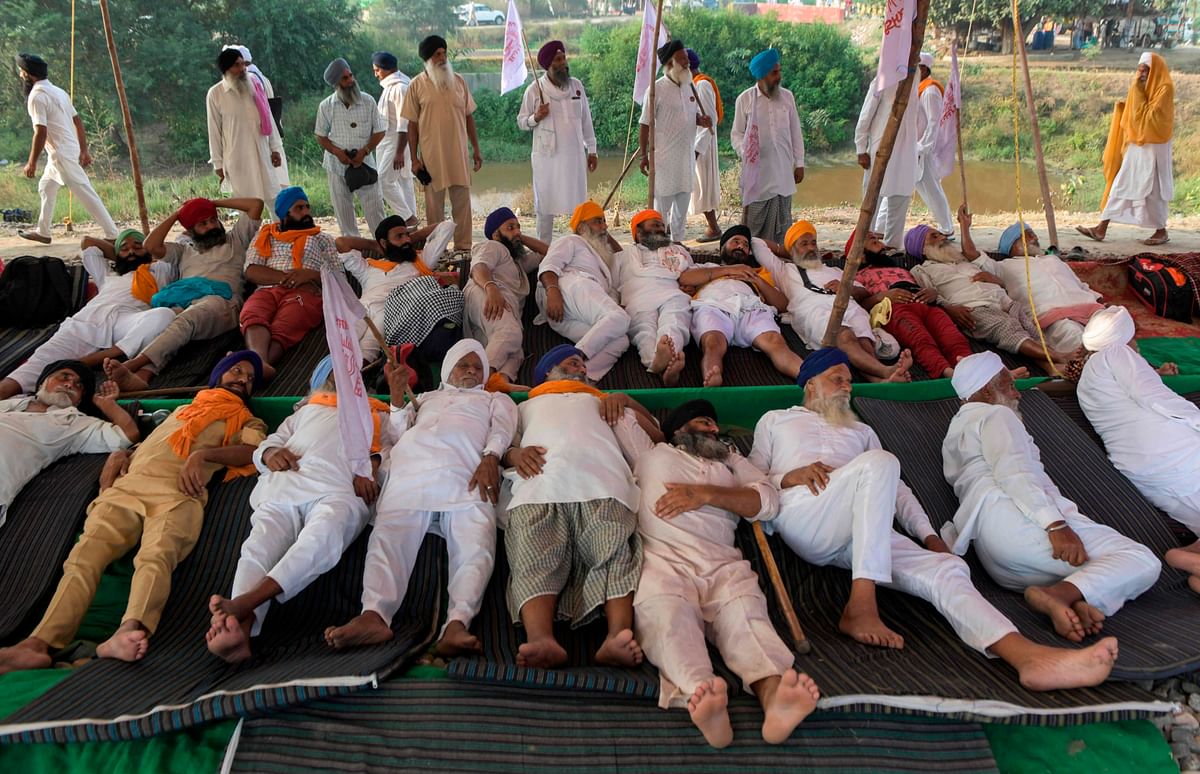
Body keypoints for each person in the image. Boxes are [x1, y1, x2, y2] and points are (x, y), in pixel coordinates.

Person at [750, 349, 1121, 690]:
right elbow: (751, 481)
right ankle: (861, 606)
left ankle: (1025, 656)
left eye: (849, 379)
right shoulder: (776, 421)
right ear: (810, 383)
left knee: (947, 570)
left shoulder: (861, 431)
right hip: (805, 514)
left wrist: (930, 538)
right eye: (837, 378)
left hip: (865, 530)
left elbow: (896, 491)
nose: (847, 386)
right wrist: (789, 477)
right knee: (880, 464)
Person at [0, 353, 267, 674]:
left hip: (178, 494)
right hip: (128, 488)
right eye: (236, 370)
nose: (242, 378)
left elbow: (254, 451)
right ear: (218, 374)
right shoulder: (183, 410)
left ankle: (129, 629)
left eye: (250, 378)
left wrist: (204, 456)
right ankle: (38, 644)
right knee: (83, 557)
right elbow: (153, 444)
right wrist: (119, 457)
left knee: (156, 557)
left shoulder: (248, 420)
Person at [631, 399, 821, 748]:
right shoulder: (650, 452)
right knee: (666, 616)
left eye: (715, 425)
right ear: (679, 429)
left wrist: (705, 494)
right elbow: (621, 411)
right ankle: (702, 696)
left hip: (723, 563)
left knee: (747, 618)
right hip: (664, 560)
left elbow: (766, 501)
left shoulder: (732, 460)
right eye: (705, 422)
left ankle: (775, 699)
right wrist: (618, 399)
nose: (714, 429)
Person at [942, 352, 1161, 642]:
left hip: (998, 560)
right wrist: (1055, 525)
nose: (1016, 393)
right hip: (1020, 526)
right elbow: (1015, 473)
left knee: (1098, 570)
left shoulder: (954, 431)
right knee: (1140, 559)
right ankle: (1057, 594)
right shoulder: (997, 414)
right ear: (985, 390)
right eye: (1009, 385)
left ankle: (1077, 600)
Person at [326, 341, 518, 655]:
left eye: (477, 366)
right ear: (447, 370)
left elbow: (504, 428)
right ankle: (373, 615)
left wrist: (491, 458)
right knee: (387, 542)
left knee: (476, 547)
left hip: (467, 475)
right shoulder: (426, 398)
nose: (470, 370)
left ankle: (458, 622)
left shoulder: (494, 399)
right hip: (411, 472)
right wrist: (399, 397)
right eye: (462, 364)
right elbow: (397, 433)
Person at [206, 355, 390, 663]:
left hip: (338, 489)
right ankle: (241, 626)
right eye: (334, 373)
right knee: (259, 545)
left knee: (324, 536)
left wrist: (371, 466)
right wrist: (270, 453)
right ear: (319, 382)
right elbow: (268, 445)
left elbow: (389, 447)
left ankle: (245, 604)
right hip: (287, 483)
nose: (342, 378)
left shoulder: (376, 414)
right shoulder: (304, 412)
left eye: (349, 373)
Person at [501, 345, 664, 669]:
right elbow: (503, 444)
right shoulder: (525, 406)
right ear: (546, 372)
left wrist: (627, 401)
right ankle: (541, 639)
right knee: (533, 555)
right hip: (541, 484)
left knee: (615, 551)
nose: (579, 364)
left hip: (603, 483)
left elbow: (657, 437)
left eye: (582, 362)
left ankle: (618, 635)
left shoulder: (602, 400)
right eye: (568, 360)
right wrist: (514, 455)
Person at [1076, 307, 1200, 591]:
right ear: (1124, 337)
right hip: (1172, 453)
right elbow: (1156, 399)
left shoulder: (1087, 379)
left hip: (1142, 472)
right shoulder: (1117, 354)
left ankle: (1190, 557)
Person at [103, 197, 263, 392]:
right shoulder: (184, 251)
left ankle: (133, 365)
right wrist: (178, 214)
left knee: (186, 320)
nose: (212, 226)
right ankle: (143, 377)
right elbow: (150, 245)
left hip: (222, 302)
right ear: (190, 230)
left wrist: (211, 203)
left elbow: (256, 204)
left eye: (213, 220)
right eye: (203, 223)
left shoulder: (235, 239)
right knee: (166, 323)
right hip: (188, 303)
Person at [0, 231, 177, 400]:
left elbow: (164, 246)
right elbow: (87, 242)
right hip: (86, 322)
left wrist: (138, 252)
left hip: (128, 322)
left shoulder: (161, 269)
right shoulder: (108, 274)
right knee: (29, 371)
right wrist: (123, 253)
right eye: (124, 249)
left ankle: (106, 358)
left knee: (164, 316)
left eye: (138, 246)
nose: (131, 251)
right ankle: (89, 362)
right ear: (116, 255)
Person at [908, 211, 1075, 373]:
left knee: (1032, 332)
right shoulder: (923, 270)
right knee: (1007, 326)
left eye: (940, 234)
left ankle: (1051, 368)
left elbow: (1002, 282)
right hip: (973, 308)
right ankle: (1060, 357)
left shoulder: (963, 260)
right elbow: (930, 295)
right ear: (921, 249)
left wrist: (996, 280)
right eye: (934, 237)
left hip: (1004, 302)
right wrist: (949, 309)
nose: (943, 238)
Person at [755, 220, 912, 383]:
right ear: (792, 249)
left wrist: (845, 288)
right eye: (803, 244)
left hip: (848, 305)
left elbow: (863, 292)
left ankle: (879, 381)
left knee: (864, 340)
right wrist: (787, 251)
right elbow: (756, 243)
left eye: (813, 243)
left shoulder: (836, 270)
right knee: (845, 336)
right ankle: (886, 370)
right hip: (814, 310)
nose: (810, 248)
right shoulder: (784, 270)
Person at [0, 362, 137, 526]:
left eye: (79, 385)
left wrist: (108, 405)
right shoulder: (9, 404)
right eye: (64, 377)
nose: (70, 384)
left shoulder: (75, 423)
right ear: (42, 382)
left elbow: (128, 435)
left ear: (79, 401)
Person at [15, 53, 117, 244]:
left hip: (61, 153)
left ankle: (112, 234)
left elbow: (41, 132)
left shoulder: (37, 97)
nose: (21, 75)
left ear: (29, 75)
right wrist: (83, 150)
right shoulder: (59, 91)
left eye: (22, 72)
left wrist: (31, 162)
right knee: (46, 187)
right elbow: (77, 121)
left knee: (84, 191)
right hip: (65, 150)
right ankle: (44, 232)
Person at [1076, 52, 1174, 246]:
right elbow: (1135, 112)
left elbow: (1152, 118)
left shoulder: (1165, 88)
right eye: (1140, 69)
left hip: (1154, 148)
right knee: (1121, 183)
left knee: (1153, 189)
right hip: (1137, 145)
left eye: (1146, 70)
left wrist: (1137, 94)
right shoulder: (1139, 86)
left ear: (1155, 71)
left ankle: (1161, 231)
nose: (1141, 74)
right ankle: (1101, 228)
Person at [241, 187, 339, 377]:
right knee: (252, 313)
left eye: (307, 207)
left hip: (304, 292)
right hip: (268, 288)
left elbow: (338, 276)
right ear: (285, 214)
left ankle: (255, 368)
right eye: (299, 208)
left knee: (288, 321)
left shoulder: (322, 239)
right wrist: (285, 278)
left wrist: (309, 275)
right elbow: (251, 270)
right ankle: (259, 362)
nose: (306, 212)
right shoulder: (265, 235)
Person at [688, 225, 803, 387]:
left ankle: (807, 376)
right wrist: (729, 270)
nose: (741, 246)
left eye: (746, 244)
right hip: (714, 305)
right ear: (722, 247)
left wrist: (756, 280)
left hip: (751, 308)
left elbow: (783, 305)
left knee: (775, 341)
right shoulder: (707, 267)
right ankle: (712, 376)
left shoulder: (759, 272)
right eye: (735, 241)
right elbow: (685, 278)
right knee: (713, 343)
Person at [849, 229, 972, 379]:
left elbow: (928, 287)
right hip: (895, 309)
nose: (877, 240)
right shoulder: (857, 276)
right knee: (921, 339)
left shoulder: (901, 269)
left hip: (926, 304)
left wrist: (932, 293)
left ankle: (969, 368)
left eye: (878, 240)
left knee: (952, 337)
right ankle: (947, 373)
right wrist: (882, 296)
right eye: (872, 241)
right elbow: (857, 307)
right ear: (860, 256)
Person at [402, 35, 484, 251]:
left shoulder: (458, 81)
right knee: (434, 209)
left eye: (444, 53)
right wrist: (414, 160)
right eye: (437, 54)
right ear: (428, 59)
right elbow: (412, 125)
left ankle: (463, 249)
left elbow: (468, 117)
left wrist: (476, 149)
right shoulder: (416, 85)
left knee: (463, 206)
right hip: (432, 157)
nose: (442, 57)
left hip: (458, 154)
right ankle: (436, 251)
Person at [536, 201, 631, 383]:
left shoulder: (602, 256)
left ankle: (574, 381)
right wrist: (553, 291)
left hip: (570, 313)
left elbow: (620, 255)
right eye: (598, 221)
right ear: (581, 228)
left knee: (621, 339)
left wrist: (602, 232)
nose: (604, 226)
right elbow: (549, 264)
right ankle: (575, 357)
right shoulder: (572, 241)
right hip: (569, 288)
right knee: (621, 318)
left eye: (604, 221)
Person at [336, 218, 453, 363]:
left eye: (406, 235)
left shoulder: (421, 261)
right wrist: (374, 245)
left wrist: (411, 237)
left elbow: (446, 226)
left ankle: (359, 377)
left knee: (368, 349)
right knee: (343, 342)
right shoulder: (368, 267)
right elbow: (341, 243)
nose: (406, 240)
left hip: (390, 312)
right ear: (384, 243)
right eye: (399, 236)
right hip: (361, 308)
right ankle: (333, 379)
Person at [518, 41, 598, 245]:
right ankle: (543, 249)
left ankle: (580, 246)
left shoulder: (576, 86)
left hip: (574, 157)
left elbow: (586, 119)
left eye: (564, 58)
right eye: (558, 60)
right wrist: (536, 117)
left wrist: (592, 149)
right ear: (548, 65)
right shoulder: (535, 90)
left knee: (578, 205)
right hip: (548, 159)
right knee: (545, 205)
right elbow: (521, 122)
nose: (563, 63)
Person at [637, 40, 712, 241]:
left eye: (686, 58)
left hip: (686, 159)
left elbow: (690, 116)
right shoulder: (656, 89)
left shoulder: (690, 87)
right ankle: (657, 244)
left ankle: (678, 243)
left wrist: (701, 120)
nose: (687, 62)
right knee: (661, 208)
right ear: (670, 63)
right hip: (663, 160)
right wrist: (644, 155)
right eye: (681, 59)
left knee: (682, 206)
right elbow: (644, 124)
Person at [464, 208, 545, 391]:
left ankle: (498, 382)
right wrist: (491, 288)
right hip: (485, 291)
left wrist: (518, 237)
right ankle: (481, 381)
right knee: (509, 332)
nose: (516, 231)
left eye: (518, 227)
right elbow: (479, 267)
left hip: (502, 304)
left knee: (516, 352)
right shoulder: (493, 246)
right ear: (495, 234)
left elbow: (547, 252)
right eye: (510, 227)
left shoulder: (518, 262)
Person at [732, 49, 805, 247]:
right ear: (762, 75)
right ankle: (754, 259)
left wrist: (799, 163)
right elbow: (736, 134)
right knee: (754, 223)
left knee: (782, 223)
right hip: (757, 175)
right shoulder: (745, 100)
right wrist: (745, 151)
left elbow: (795, 132)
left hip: (782, 171)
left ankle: (779, 259)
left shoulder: (787, 98)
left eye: (779, 71)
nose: (779, 76)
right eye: (774, 73)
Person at [993, 222, 1103, 354]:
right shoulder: (1003, 266)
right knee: (1074, 336)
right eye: (1029, 235)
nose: (1036, 238)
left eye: (1034, 234)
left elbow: (1081, 285)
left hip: (1087, 307)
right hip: (1052, 315)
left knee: (1115, 323)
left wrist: (1098, 300)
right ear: (1011, 244)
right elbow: (974, 257)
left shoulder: (1053, 259)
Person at [621, 209, 695, 386]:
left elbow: (691, 273)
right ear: (638, 233)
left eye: (662, 225)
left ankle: (665, 358)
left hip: (672, 294)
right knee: (644, 330)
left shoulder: (678, 250)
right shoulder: (623, 255)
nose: (661, 229)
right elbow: (610, 284)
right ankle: (660, 364)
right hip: (638, 298)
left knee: (675, 320)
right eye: (655, 225)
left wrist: (692, 287)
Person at [207, 48, 284, 218]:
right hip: (238, 160)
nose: (242, 69)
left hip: (262, 154)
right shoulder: (216, 93)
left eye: (243, 64)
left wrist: (275, 148)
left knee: (275, 201)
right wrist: (218, 164)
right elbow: (213, 130)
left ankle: (281, 240)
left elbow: (269, 118)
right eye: (237, 65)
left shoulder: (255, 85)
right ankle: (249, 243)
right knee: (246, 208)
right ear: (226, 69)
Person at [316, 58, 386, 239]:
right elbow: (321, 136)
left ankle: (384, 245)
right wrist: (338, 152)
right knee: (343, 211)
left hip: (365, 164)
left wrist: (365, 151)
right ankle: (354, 253)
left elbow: (379, 132)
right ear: (336, 83)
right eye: (344, 78)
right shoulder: (326, 106)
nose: (350, 81)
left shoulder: (368, 101)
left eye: (350, 75)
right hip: (337, 166)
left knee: (375, 209)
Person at [855, 73, 920, 249]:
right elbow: (865, 116)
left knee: (899, 204)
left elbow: (918, 120)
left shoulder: (915, 82)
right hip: (881, 154)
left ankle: (892, 251)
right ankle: (864, 249)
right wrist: (861, 148)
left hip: (906, 156)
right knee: (870, 206)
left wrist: (919, 147)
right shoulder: (882, 81)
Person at [223, 44, 289, 193]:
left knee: (267, 191)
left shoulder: (251, 80)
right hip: (266, 141)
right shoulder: (258, 77)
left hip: (262, 142)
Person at [372, 51, 418, 224]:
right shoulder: (390, 86)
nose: (376, 74)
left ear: (387, 69)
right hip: (388, 142)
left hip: (397, 142)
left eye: (377, 70)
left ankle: (409, 218)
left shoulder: (400, 88)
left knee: (383, 181)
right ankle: (412, 226)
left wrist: (399, 152)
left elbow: (404, 122)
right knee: (403, 182)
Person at [913, 53, 954, 236]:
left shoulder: (930, 91)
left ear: (922, 68)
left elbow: (933, 122)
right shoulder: (919, 88)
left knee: (932, 190)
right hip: (914, 148)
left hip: (923, 150)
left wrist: (923, 147)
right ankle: (881, 228)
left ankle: (947, 229)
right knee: (900, 189)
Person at [686, 49, 722, 242]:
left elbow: (710, 119)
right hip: (694, 143)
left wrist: (696, 150)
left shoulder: (702, 85)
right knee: (696, 186)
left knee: (703, 186)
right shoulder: (693, 85)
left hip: (703, 145)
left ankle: (713, 228)